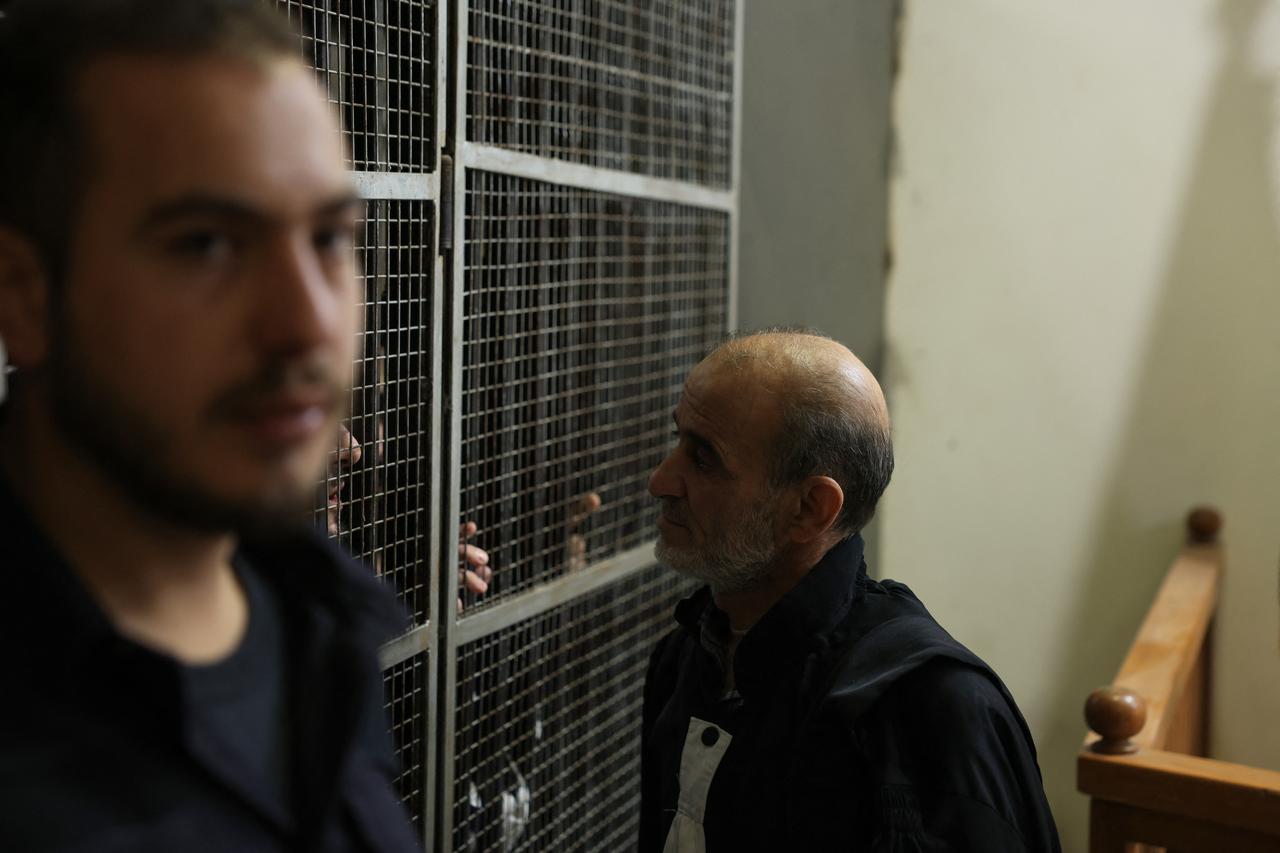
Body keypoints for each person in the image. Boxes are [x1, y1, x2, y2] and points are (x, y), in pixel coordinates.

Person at [0, 1, 419, 849]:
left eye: (332, 238)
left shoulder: (323, 631)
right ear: (24, 294)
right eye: (205, 245)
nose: (305, 323)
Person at [640, 330, 1061, 851]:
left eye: (703, 459)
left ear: (809, 509)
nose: (661, 480)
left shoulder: (927, 710)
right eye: (678, 439)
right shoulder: (684, 659)